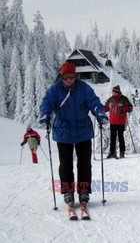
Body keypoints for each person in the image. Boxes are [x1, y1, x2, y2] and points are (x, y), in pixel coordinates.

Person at [39, 62, 108, 206]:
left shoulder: (84, 88)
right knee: (65, 164)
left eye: (72, 77)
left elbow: (93, 102)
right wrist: (45, 114)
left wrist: (99, 113)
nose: (69, 80)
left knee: (84, 164)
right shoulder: (55, 89)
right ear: (61, 77)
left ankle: (83, 191)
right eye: (66, 77)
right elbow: (47, 103)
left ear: (75, 76)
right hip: (63, 131)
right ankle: (68, 192)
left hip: (83, 130)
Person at [105, 85, 133, 159]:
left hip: (121, 122)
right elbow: (105, 108)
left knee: (121, 137)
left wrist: (125, 109)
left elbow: (130, 107)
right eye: (112, 91)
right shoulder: (110, 100)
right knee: (112, 138)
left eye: (113, 91)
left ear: (117, 92)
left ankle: (122, 152)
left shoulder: (124, 99)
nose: (112, 93)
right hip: (112, 121)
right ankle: (112, 152)